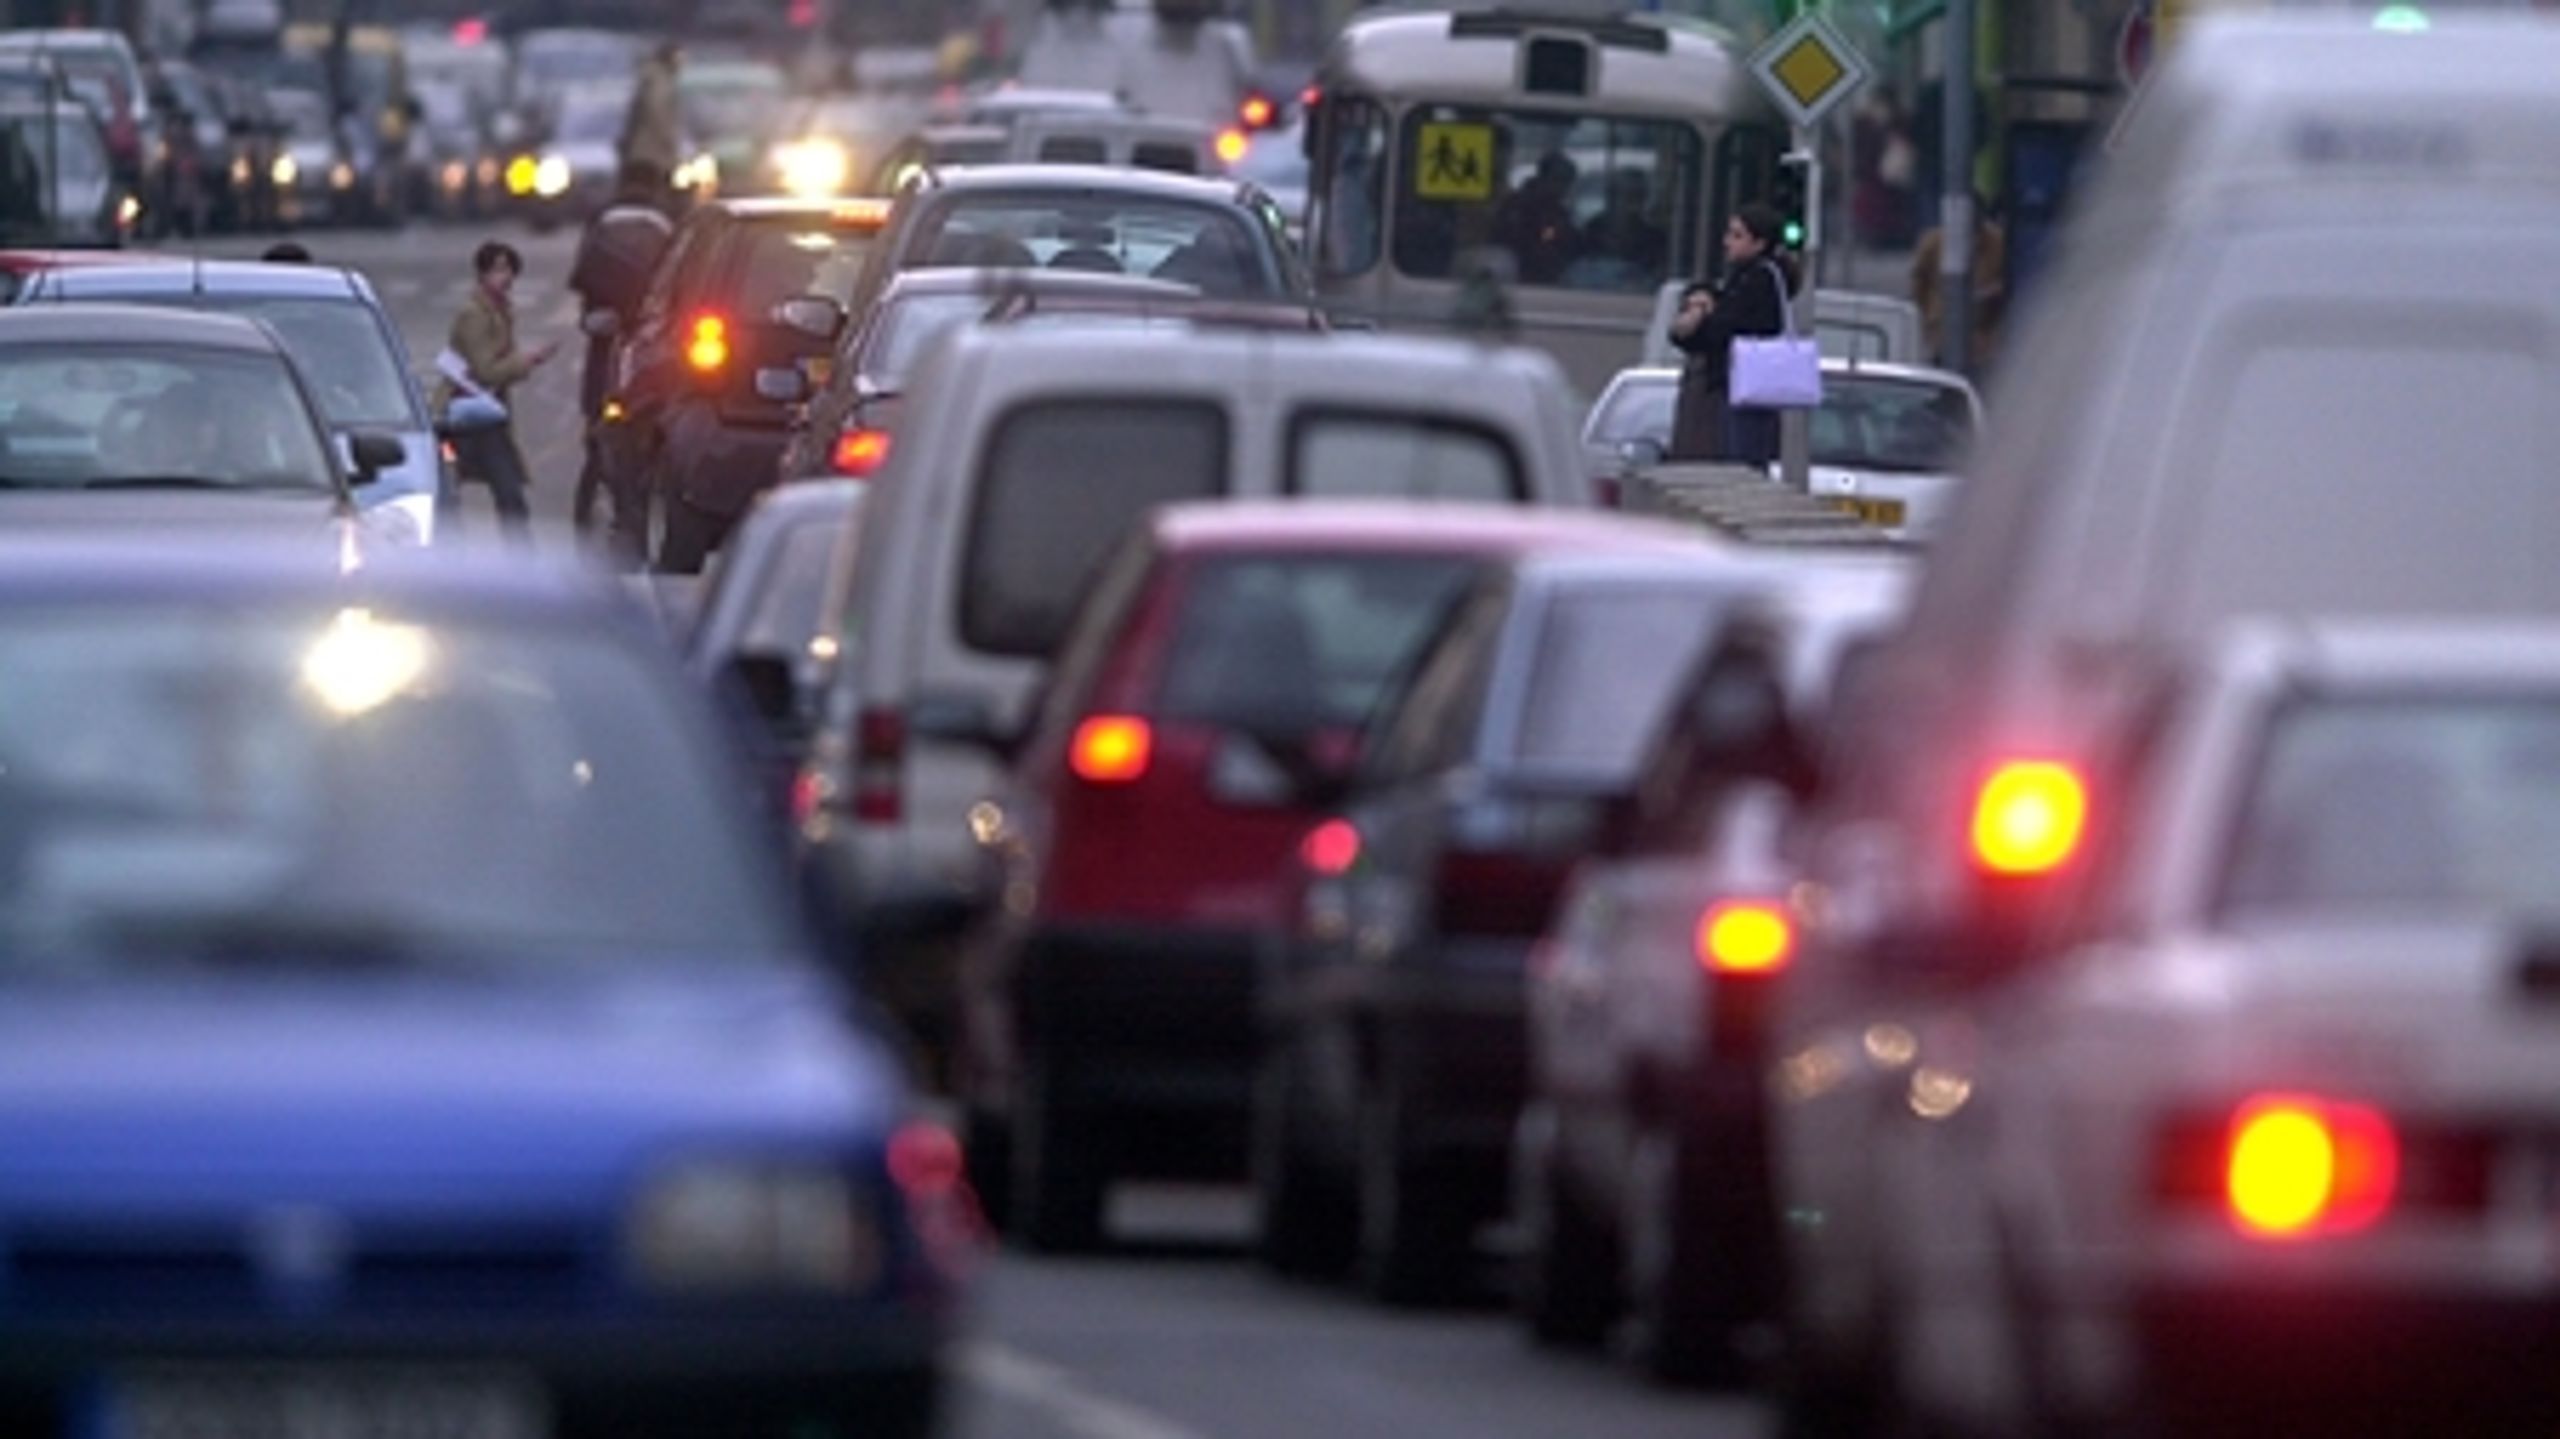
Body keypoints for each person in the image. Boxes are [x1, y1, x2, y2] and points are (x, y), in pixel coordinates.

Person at [567, 163, 674, 565]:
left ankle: (604, 475)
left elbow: (582, 281)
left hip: (606, 343)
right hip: (649, 347)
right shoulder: (667, 225)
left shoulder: (605, 220)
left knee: (598, 422)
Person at [432, 240, 558, 543]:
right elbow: (485, 370)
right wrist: (525, 361)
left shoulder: (500, 313)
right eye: (498, 270)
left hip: (485, 413)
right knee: (469, 490)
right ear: (482, 274)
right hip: (464, 415)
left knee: (507, 492)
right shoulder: (475, 314)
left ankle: (517, 558)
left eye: (510, 270)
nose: (506, 277)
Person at [1667, 202, 1794, 465]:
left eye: (1737, 236)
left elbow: (1725, 327)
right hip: (1742, 382)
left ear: (1759, 243)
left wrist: (1700, 318)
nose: (1727, 242)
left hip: (1746, 382)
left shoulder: (1759, 280)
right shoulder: (1746, 277)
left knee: (1743, 458)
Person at [1912, 198, 2007, 374]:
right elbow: (1919, 281)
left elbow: (2006, 282)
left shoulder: (1997, 243)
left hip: (1983, 332)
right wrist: (1927, 315)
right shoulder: (1933, 242)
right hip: (1942, 328)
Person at [1489, 150, 1577, 285]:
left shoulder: (1558, 213)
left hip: (1551, 281)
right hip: (1520, 281)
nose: (1562, 187)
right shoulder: (1518, 207)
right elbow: (1510, 244)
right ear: (1543, 178)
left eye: (1567, 182)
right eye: (1557, 179)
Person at [618, 40, 684, 207]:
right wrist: (668, 139)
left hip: (640, 152)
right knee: (653, 198)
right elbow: (657, 108)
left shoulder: (648, 78)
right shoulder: (659, 80)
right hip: (651, 153)